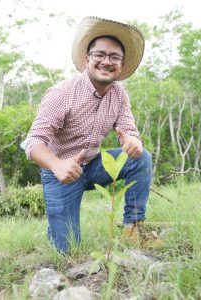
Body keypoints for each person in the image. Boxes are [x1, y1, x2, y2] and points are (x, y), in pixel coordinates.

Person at [22, 17, 152, 254]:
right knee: (67, 249)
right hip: (60, 171)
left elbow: (128, 128)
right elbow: (33, 142)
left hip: (93, 165)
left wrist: (133, 139)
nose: (106, 61)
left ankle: (134, 229)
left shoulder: (119, 96)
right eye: (99, 55)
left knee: (141, 158)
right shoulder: (61, 94)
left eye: (114, 57)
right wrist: (56, 164)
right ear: (87, 60)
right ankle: (59, 225)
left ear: (121, 66)